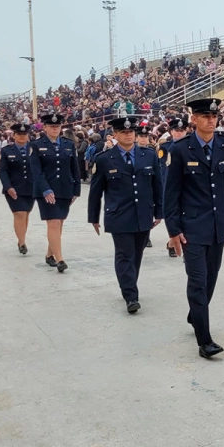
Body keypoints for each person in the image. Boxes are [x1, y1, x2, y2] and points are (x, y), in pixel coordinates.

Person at [165, 98, 224, 359]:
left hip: (218, 225)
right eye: (204, 116)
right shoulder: (181, 149)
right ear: (193, 119)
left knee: (211, 278)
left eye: (213, 115)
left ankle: (194, 313)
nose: (210, 119)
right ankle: (204, 341)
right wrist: (173, 230)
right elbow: (171, 193)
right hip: (191, 226)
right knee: (197, 281)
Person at [87, 117, 164, 314]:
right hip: (119, 215)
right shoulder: (104, 159)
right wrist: (93, 217)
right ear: (116, 135)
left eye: (131, 132)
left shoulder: (148, 155)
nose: (128, 134)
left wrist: (159, 211)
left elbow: (157, 186)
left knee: (136, 255)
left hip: (143, 214)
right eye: (123, 132)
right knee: (124, 254)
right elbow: (96, 191)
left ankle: (129, 285)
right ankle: (130, 295)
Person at [30, 113, 82, 273]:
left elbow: (75, 168)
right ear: (44, 128)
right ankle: (60, 260)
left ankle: (49, 255)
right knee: (53, 222)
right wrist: (46, 189)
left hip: (65, 188)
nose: (54, 129)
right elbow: (36, 171)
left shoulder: (68, 144)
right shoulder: (37, 145)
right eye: (51, 126)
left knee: (59, 223)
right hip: (45, 190)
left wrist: (76, 189)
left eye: (57, 126)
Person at [0, 122, 35, 254]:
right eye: (19, 134)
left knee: (26, 214)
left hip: (31, 187)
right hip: (14, 188)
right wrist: (8, 187)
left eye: (24, 134)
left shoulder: (34, 149)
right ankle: (22, 242)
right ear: (13, 135)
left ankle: (21, 239)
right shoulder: (6, 150)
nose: (22, 136)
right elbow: (3, 171)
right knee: (19, 213)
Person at [158, 116, 189, 257]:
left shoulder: (191, 147)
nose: (179, 133)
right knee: (173, 217)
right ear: (171, 132)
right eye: (176, 130)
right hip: (170, 187)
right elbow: (164, 169)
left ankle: (173, 242)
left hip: (188, 188)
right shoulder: (165, 148)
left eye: (182, 130)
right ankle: (173, 241)